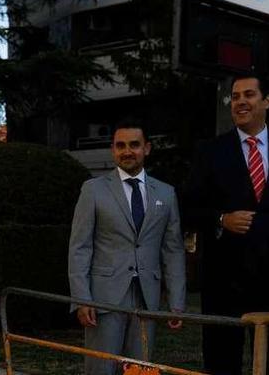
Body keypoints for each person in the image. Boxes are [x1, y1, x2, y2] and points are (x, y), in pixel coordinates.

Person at [184, 74, 269, 375]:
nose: (240, 102)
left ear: (267, 101)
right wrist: (221, 219)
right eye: (235, 97)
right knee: (222, 361)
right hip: (224, 284)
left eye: (248, 95)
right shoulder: (210, 151)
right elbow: (186, 207)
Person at [68, 120, 185, 374]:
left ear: (147, 148)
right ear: (113, 150)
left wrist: (177, 301)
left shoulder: (166, 194)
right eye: (120, 145)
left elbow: (173, 250)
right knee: (101, 368)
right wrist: (81, 299)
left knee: (141, 370)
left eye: (134, 145)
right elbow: (80, 247)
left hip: (147, 298)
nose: (127, 151)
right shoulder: (93, 190)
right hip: (103, 299)